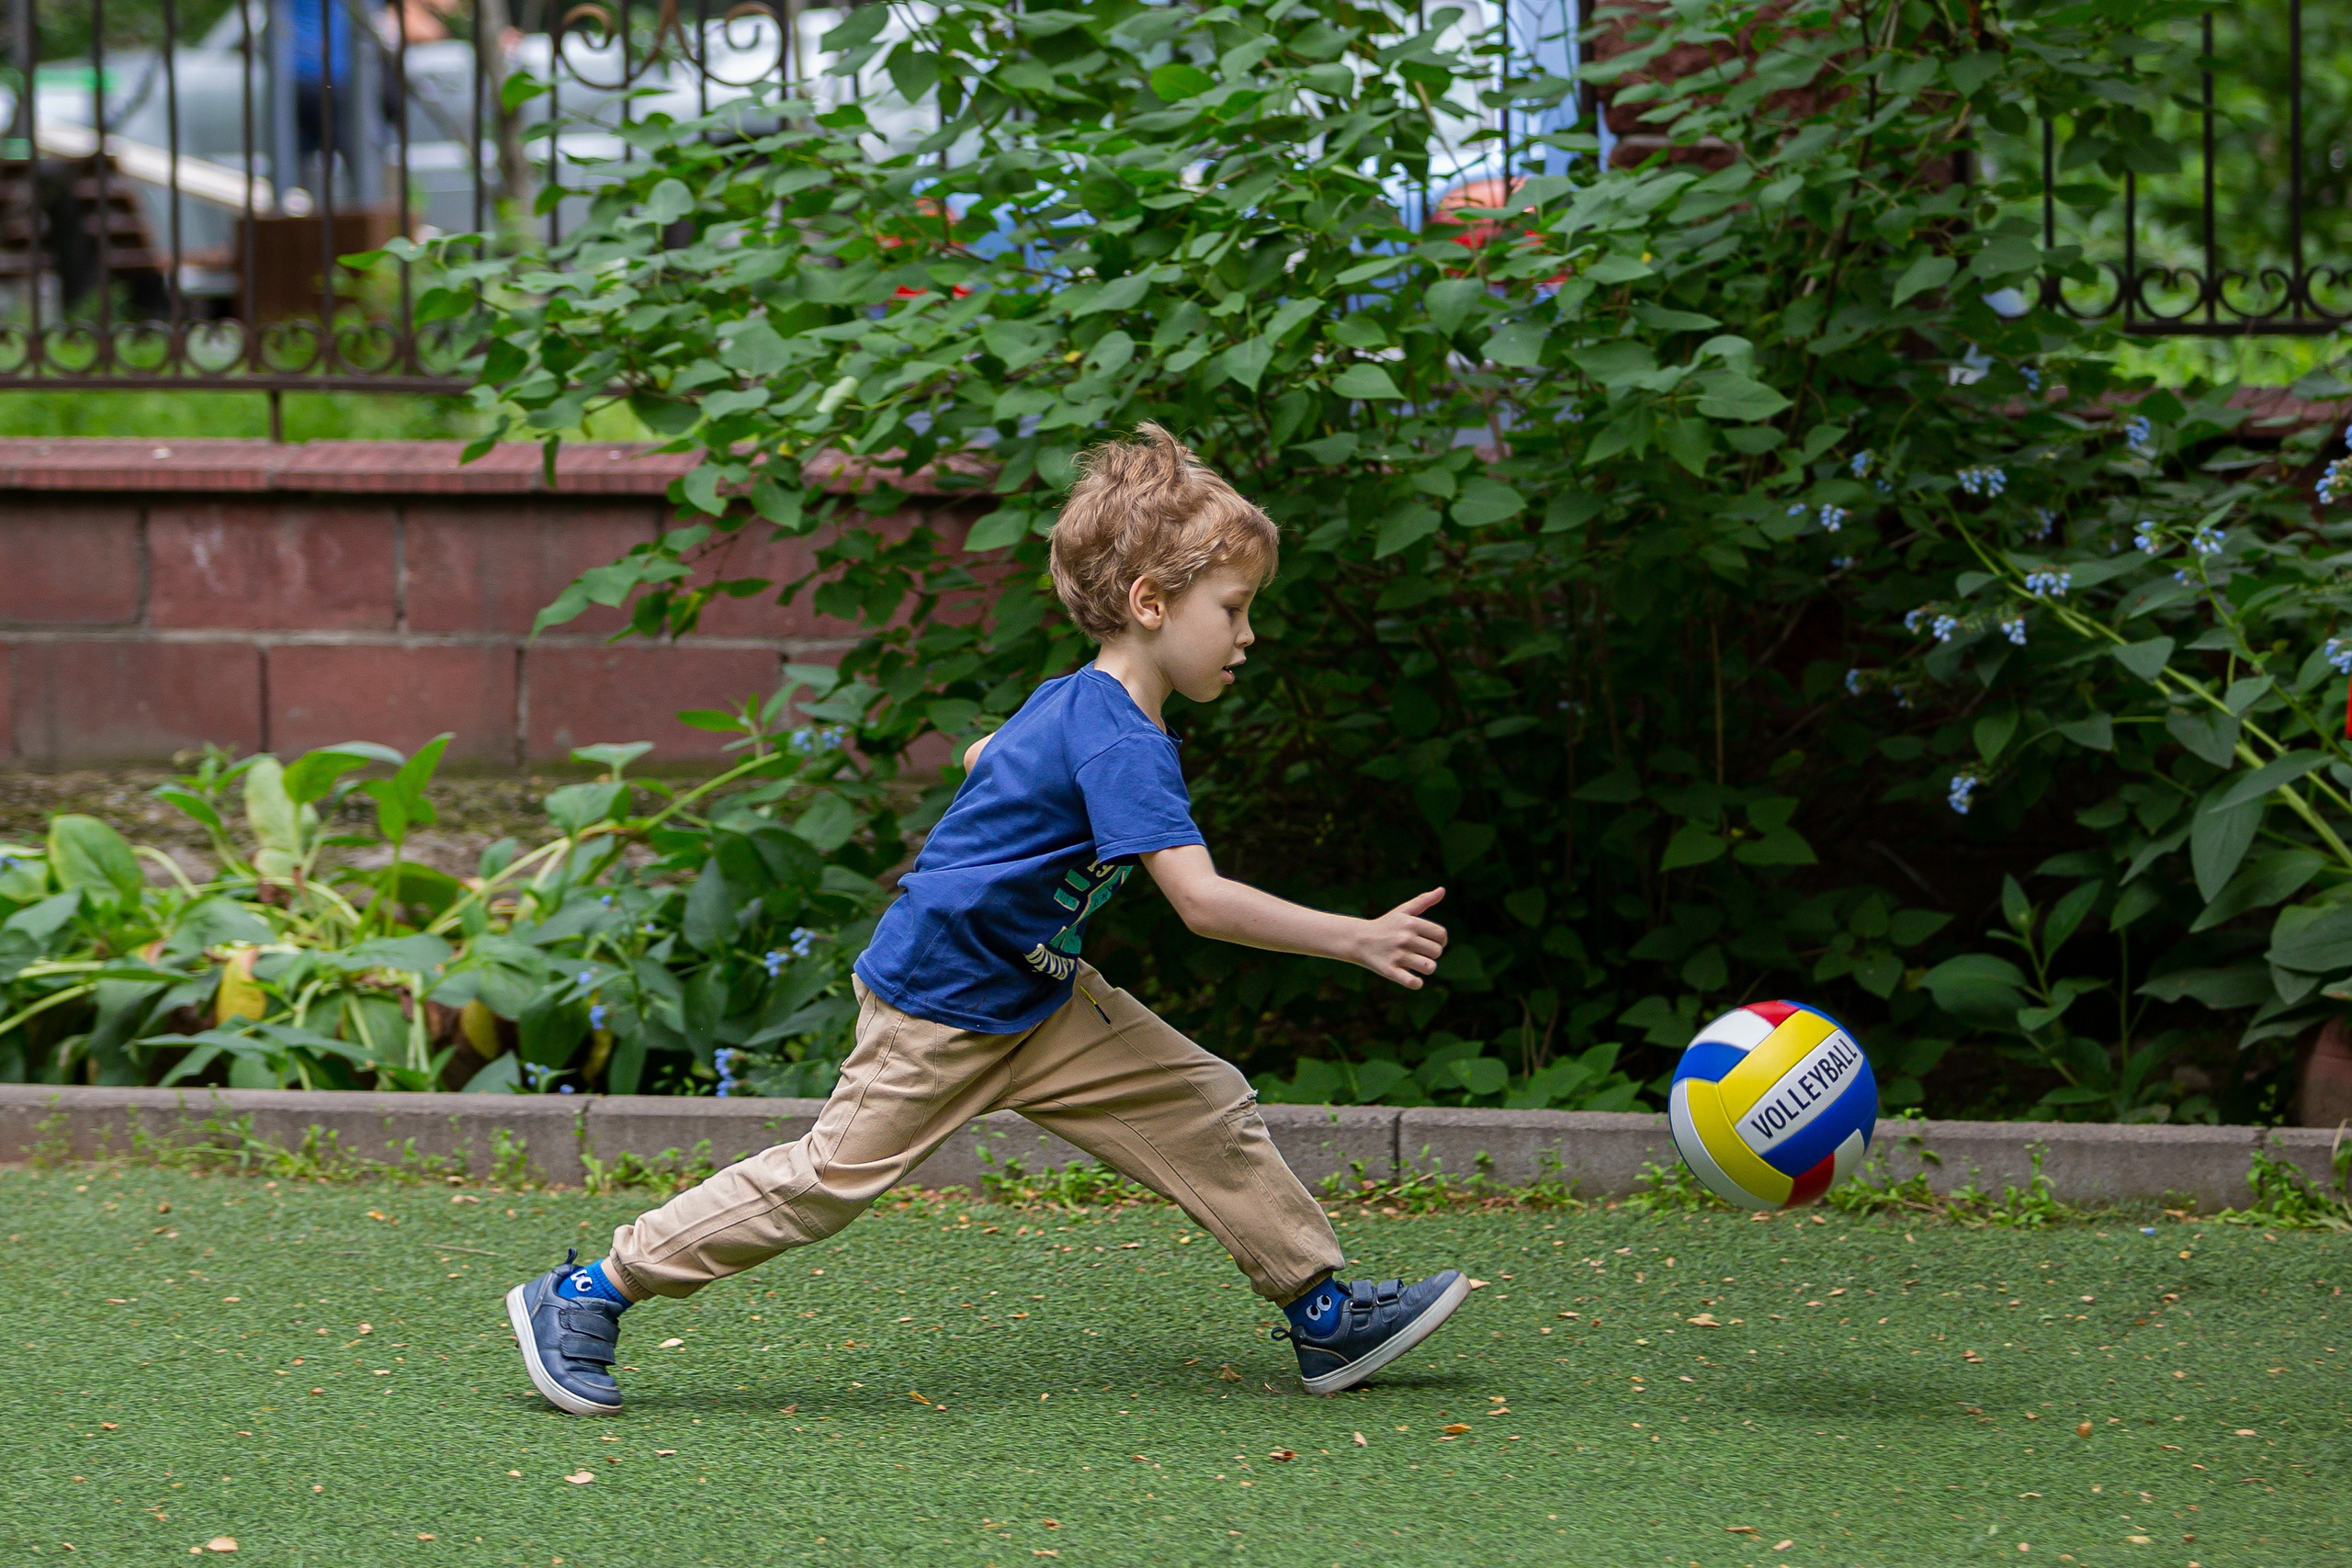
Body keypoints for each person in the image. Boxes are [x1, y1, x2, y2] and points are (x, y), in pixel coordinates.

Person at [506, 424, 1467, 1415]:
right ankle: (585, 1292)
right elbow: (1202, 902)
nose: (1247, 634)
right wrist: (1353, 936)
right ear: (1151, 603)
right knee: (825, 1180)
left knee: (1202, 1102)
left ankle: (1321, 1313)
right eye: (1232, 608)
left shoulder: (1078, 702)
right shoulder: (1122, 741)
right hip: (943, 1000)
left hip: (1038, 994)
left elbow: (983, 754)